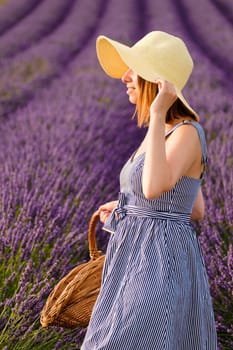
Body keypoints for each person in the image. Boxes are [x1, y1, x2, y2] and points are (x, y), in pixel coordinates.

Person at [81, 31, 217, 349]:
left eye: (134, 69)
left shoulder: (185, 132)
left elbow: (155, 187)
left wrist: (156, 113)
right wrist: (127, 206)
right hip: (134, 256)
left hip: (158, 262)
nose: (126, 77)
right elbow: (194, 208)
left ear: (157, 82)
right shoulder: (164, 133)